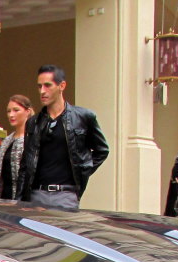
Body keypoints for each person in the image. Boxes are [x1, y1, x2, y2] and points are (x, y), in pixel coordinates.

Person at [15, 65, 109, 209]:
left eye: (48, 85)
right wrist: (19, 200)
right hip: (36, 194)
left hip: (66, 194)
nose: (42, 91)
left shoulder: (83, 117)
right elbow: (25, 164)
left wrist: (83, 169)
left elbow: (102, 150)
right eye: (39, 86)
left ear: (62, 86)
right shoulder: (34, 122)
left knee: (61, 231)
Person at [0, 94, 33, 199]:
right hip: (4, 198)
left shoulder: (32, 139)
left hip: (24, 200)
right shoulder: (7, 141)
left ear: (28, 111)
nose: (11, 115)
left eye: (16, 110)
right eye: (9, 111)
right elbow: (2, 177)